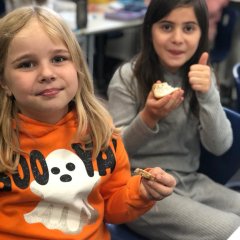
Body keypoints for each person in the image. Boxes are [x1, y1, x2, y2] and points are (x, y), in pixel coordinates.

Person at [0, 6, 176, 240]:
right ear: (4, 81)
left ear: (78, 67)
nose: (46, 73)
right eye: (26, 64)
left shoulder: (100, 133)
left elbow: (111, 207)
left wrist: (140, 192)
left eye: (59, 59)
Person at [107, 0, 240, 239]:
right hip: (141, 187)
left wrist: (208, 96)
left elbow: (220, 146)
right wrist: (148, 117)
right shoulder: (128, 77)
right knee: (231, 229)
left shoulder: (202, 76)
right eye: (166, 27)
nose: (178, 38)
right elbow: (114, 153)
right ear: (149, 30)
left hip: (191, 181)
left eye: (189, 28)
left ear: (202, 33)